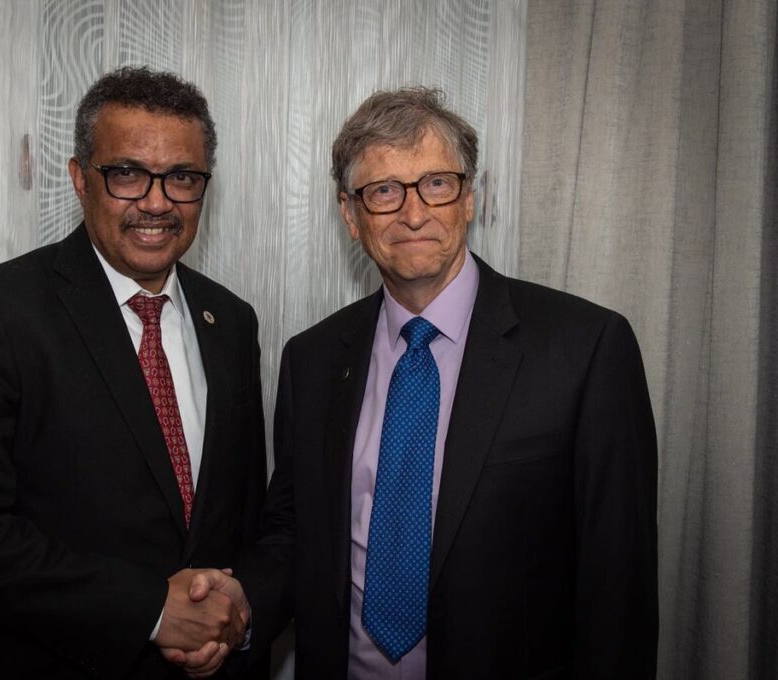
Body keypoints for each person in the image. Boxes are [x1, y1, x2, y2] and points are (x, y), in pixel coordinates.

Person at [235, 86, 659, 678]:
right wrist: (237, 608)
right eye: (384, 191)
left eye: (437, 183)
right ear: (351, 216)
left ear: (469, 199)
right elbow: (295, 531)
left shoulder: (585, 348)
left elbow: (619, 585)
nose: (414, 214)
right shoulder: (312, 360)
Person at [0, 66, 266, 680]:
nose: (157, 202)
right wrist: (151, 610)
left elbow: (242, 515)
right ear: (79, 178)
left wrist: (230, 618)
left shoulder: (230, 320)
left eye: (182, 177)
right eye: (126, 173)